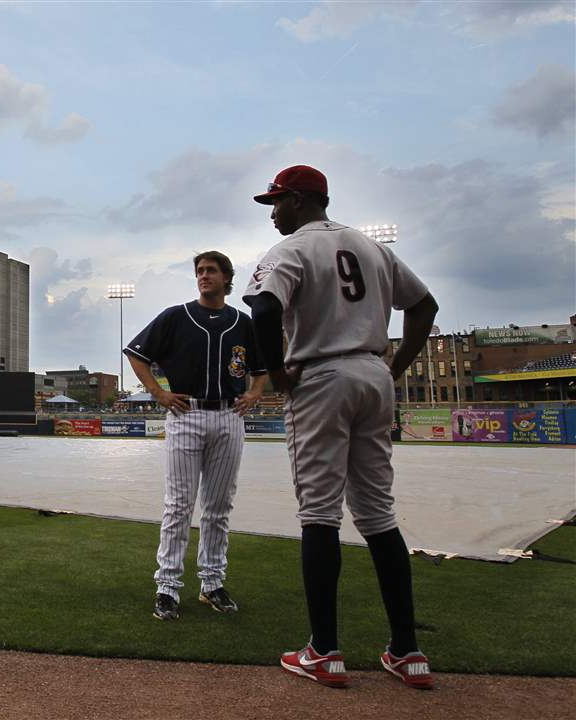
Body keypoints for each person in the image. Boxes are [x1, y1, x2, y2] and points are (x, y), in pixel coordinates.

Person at [243, 165, 439, 689]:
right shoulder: (370, 247)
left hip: (322, 375)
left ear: (303, 201)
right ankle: (407, 651)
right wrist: (394, 369)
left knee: (320, 513)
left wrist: (278, 373)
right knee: (378, 514)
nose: (273, 213)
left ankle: (324, 651)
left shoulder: (291, 250)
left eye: (277, 202)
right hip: (374, 374)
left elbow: (263, 311)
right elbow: (424, 306)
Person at [124, 251, 268, 621]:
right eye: (200, 271)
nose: (204, 276)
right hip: (186, 415)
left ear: (226, 278)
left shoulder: (242, 321)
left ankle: (212, 583)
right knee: (178, 506)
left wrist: (254, 392)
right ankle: (167, 587)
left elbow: (261, 366)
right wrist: (158, 392)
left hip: (228, 416)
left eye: (211, 271)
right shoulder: (176, 316)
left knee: (219, 508)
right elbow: (136, 354)